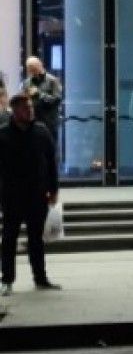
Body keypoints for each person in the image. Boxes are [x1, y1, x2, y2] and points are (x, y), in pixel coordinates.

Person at [0, 93, 60, 296]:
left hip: (37, 194)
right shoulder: (3, 135)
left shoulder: (41, 131)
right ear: (15, 111)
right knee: (9, 239)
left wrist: (54, 189)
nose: (30, 111)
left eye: (31, 107)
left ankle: (40, 278)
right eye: (26, 108)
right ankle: (7, 280)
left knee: (36, 239)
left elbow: (51, 162)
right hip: (12, 196)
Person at [19, 57, 62, 151]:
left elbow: (57, 100)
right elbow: (22, 100)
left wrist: (39, 94)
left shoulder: (53, 81)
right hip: (32, 123)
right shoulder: (27, 83)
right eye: (30, 70)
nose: (32, 72)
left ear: (40, 66)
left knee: (50, 150)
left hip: (49, 124)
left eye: (34, 69)